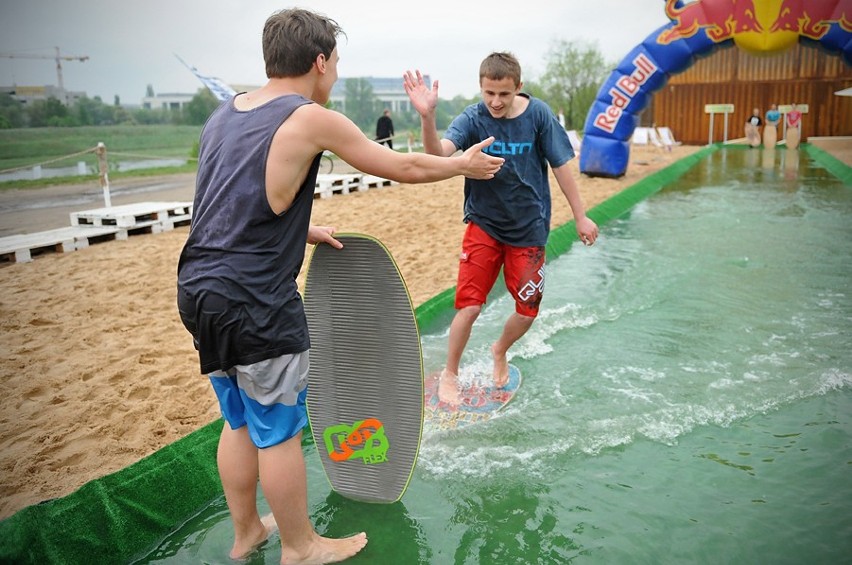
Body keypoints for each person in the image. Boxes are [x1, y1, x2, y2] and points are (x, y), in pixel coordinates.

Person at [176, 9, 503, 564]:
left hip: (199, 287)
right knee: (277, 427)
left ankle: (247, 531)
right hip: (256, 298)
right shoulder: (308, 117)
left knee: (236, 419)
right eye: (336, 64)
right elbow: (402, 167)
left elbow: (225, 205)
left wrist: (300, 229)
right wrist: (461, 168)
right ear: (320, 61)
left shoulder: (223, 114)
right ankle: (301, 548)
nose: (334, 75)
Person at [403, 52, 599, 405]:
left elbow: (561, 167)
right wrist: (427, 116)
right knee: (470, 306)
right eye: (489, 93)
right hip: (484, 224)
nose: (495, 102)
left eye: (504, 94)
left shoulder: (538, 114)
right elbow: (438, 155)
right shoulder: (473, 117)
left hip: (530, 229)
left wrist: (580, 215)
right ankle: (451, 373)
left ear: (518, 88)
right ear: (481, 87)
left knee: (527, 311)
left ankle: (499, 350)